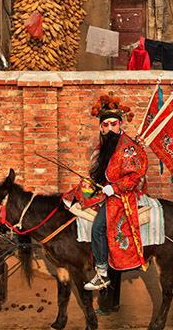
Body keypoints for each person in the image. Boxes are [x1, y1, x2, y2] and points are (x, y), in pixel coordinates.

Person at [64, 93, 147, 290]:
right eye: (105, 125)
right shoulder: (103, 145)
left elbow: (134, 178)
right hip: (106, 191)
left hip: (122, 195)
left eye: (113, 124)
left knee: (99, 226)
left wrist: (114, 187)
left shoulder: (128, 148)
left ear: (120, 124)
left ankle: (102, 273)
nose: (109, 128)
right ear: (101, 127)